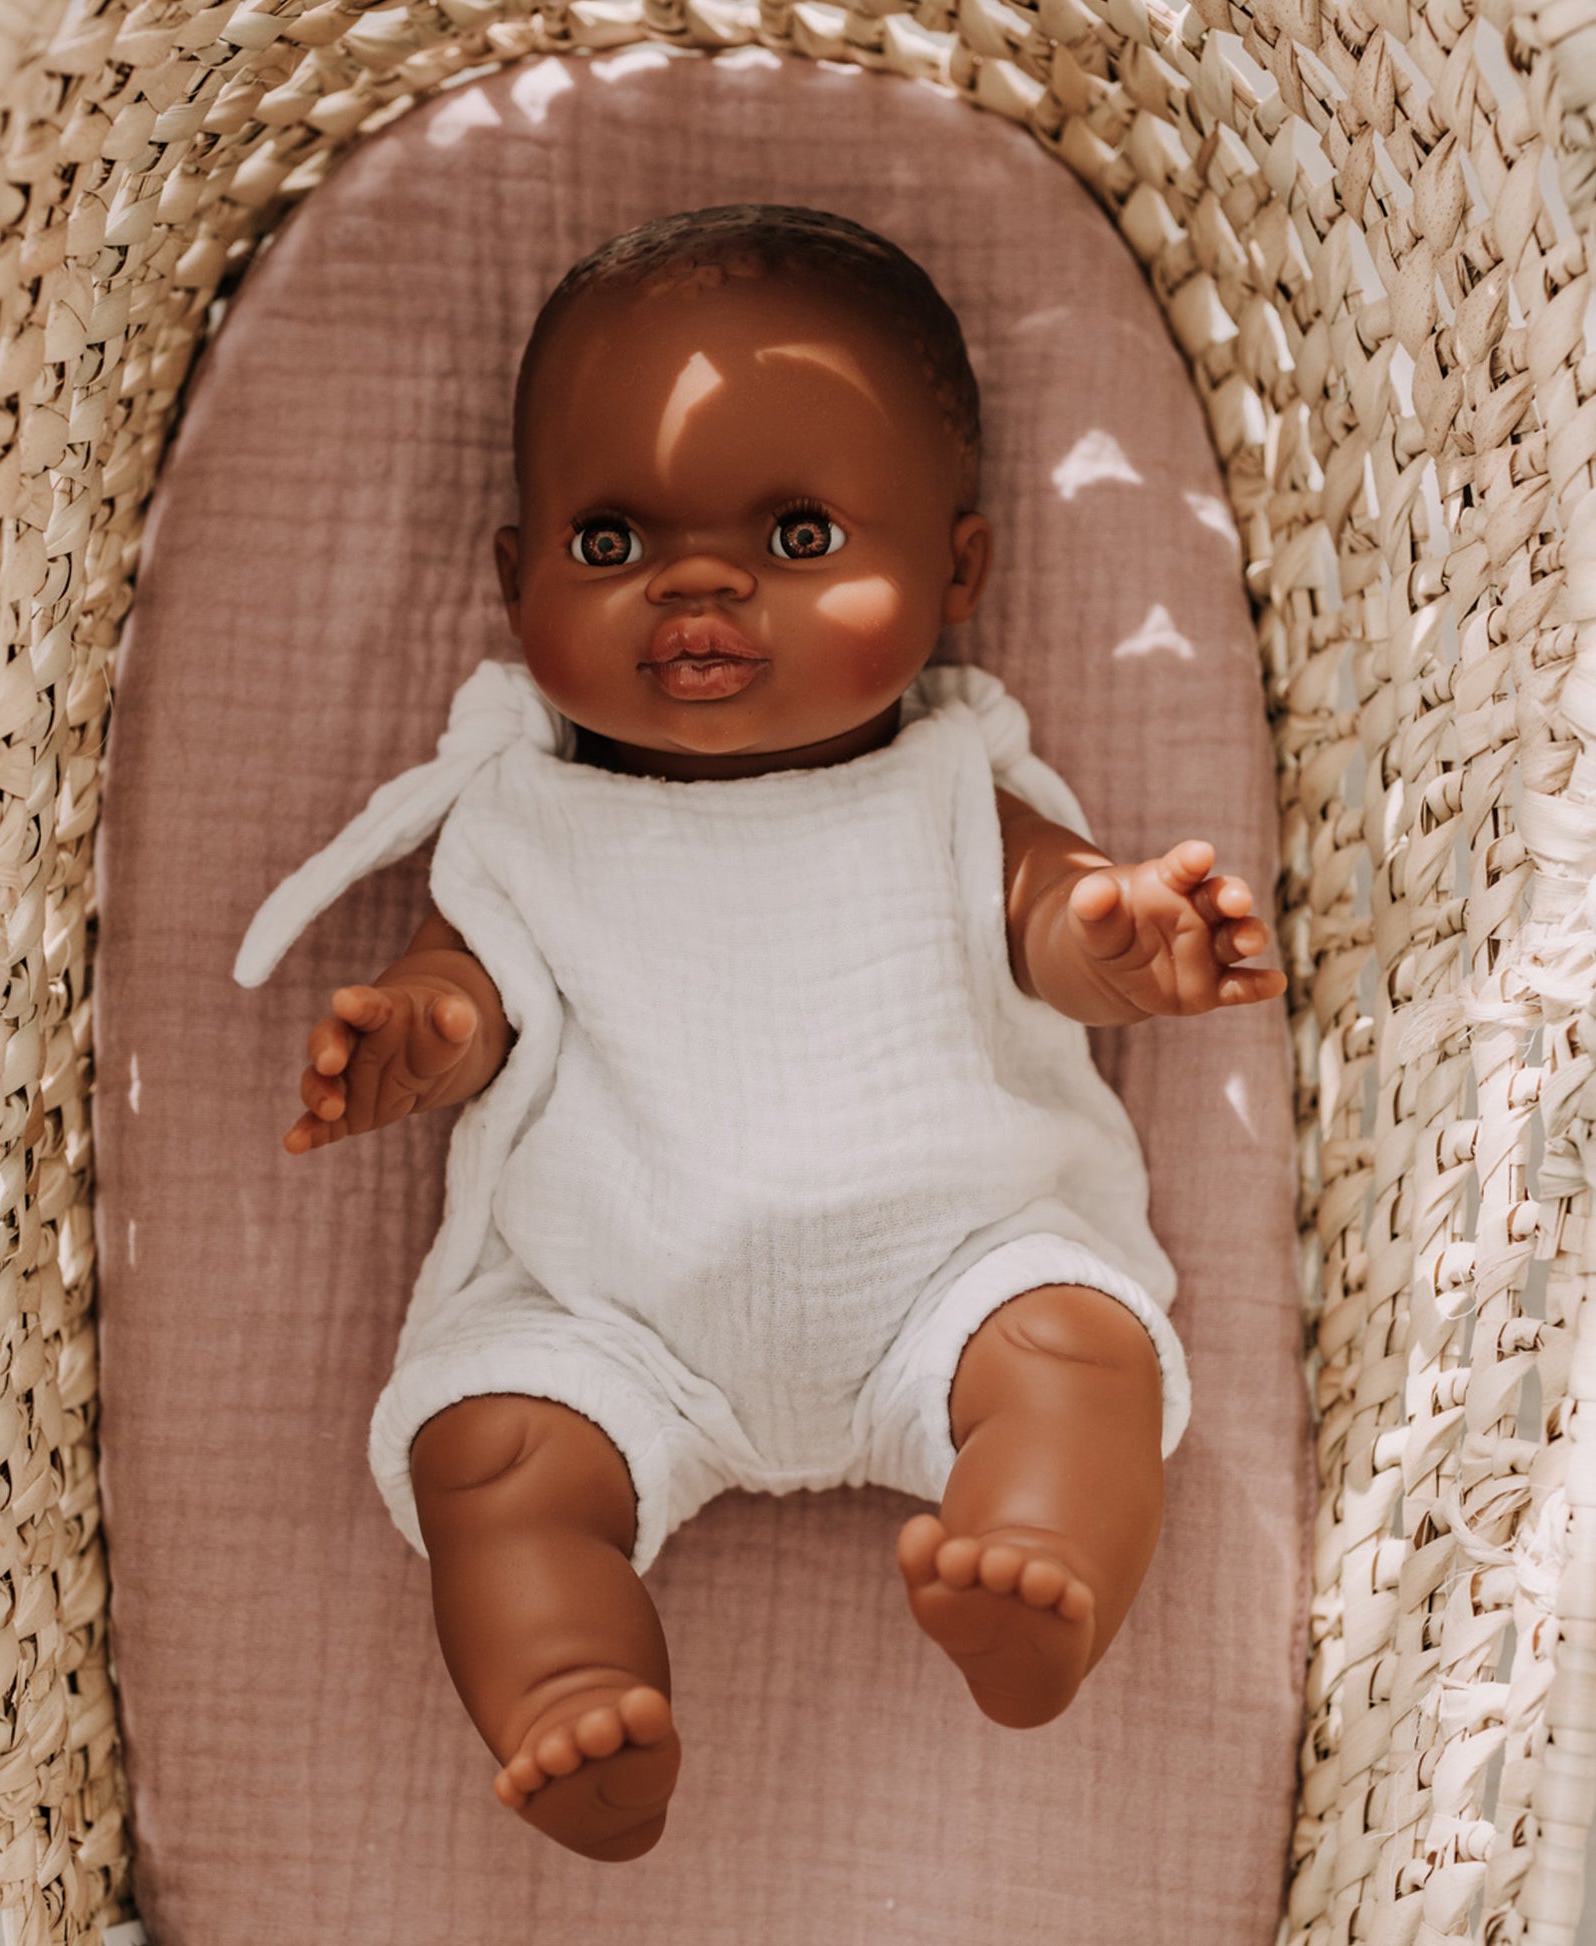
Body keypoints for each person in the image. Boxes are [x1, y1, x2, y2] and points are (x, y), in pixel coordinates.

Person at [234, 204, 1286, 1863]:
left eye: (799, 532)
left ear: (957, 569)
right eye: (606, 542)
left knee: (1076, 1353)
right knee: (486, 1451)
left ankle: (1042, 1572)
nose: (697, 582)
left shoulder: (948, 781)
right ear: (511, 577)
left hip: (955, 1271)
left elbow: (1050, 927)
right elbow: (473, 990)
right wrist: (419, 1038)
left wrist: (1123, 938)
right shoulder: (524, 822)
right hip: (608, 1316)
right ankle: (568, 1686)